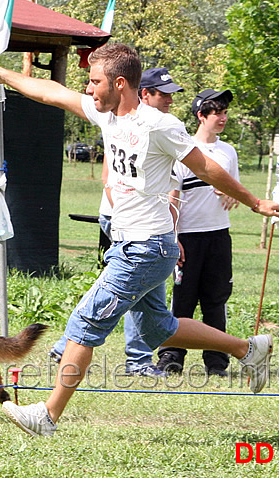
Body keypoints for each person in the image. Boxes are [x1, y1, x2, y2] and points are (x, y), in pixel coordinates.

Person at [0, 42, 279, 437]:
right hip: (133, 244)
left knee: (84, 322)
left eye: (95, 81)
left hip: (146, 247)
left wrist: (255, 200)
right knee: (160, 328)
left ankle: (47, 416)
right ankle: (248, 349)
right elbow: (53, 93)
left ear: (119, 83)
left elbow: (207, 168)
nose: (88, 89)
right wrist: (3, 75)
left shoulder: (158, 125)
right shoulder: (107, 117)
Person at [49, 67, 185, 377]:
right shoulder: (117, 121)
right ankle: (75, 346)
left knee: (148, 310)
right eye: (163, 94)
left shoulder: (162, 129)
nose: (169, 100)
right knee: (118, 295)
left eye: (172, 95)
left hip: (150, 233)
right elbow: (109, 180)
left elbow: (174, 189)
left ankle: (241, 348)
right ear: (143, 93)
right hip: (128, 227)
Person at [157, 89, 240, 377]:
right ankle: (171, 358)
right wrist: (174, 236)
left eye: (225, 112)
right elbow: (172, 197)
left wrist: (232, 195)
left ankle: (217, 363)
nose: (222, 118)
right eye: (217, 112)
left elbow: (235, 191)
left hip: (219, 236)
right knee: (183, 300)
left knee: (216, 299)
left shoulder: (228, 152)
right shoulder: (184, 150)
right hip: (188, 238)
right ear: (200, 116)